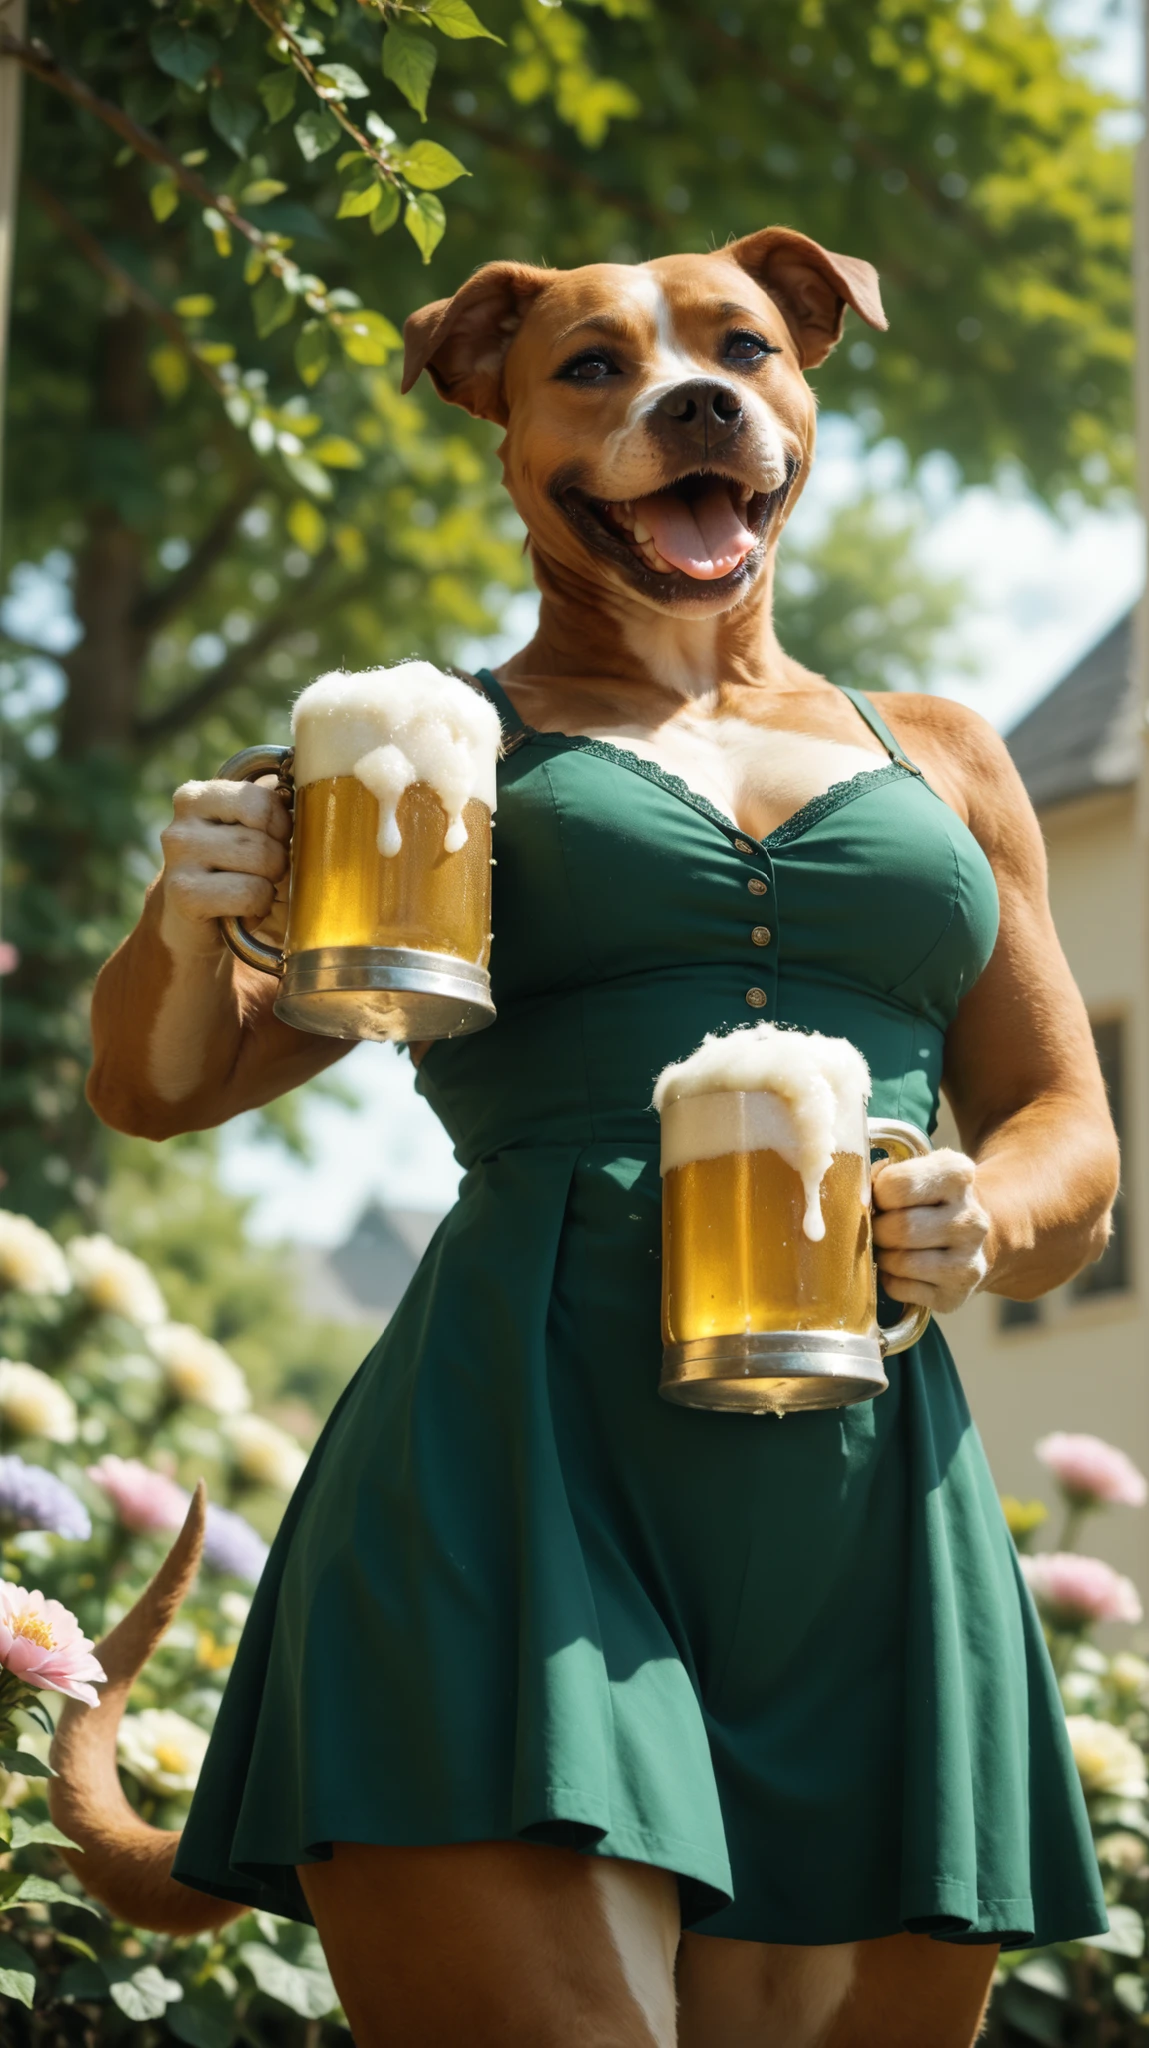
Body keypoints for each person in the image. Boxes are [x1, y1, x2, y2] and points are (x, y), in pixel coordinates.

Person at [80, 230, 1118, 2048]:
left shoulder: (947, 755)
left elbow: (1064, 1130)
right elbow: (167, 1087)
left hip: (866, 1508)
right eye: (597, 370)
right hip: (511, 1467)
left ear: (808, 375)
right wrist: (194, 908)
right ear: (492, 405)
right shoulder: (426, 749)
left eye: (740, 352)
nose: (687, 396)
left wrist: (981, 1214)